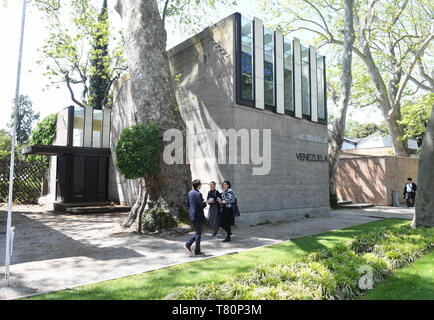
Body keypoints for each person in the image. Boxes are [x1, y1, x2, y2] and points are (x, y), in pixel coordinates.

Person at [184, 179, 207, 256]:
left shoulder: (190, 193)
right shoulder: (198, 194)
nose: (201, 186)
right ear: (198, 186)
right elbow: (201, 205)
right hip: (198, 215)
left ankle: (195, 249)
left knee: (198, 232)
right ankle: (191, 247)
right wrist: (205, 203)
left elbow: (187, 204)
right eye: (200, 184)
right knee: (198, 233)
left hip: (192, 214)